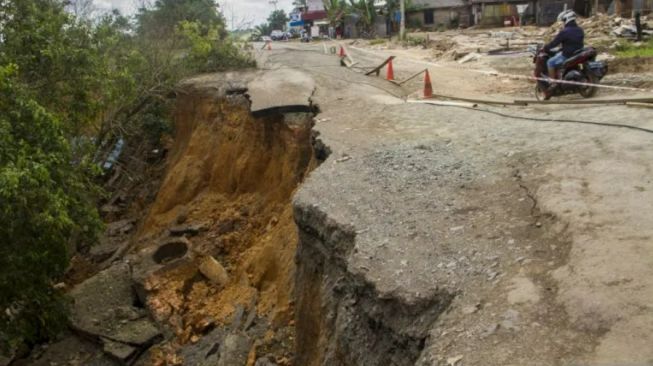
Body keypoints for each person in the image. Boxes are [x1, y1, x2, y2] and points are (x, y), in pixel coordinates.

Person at [543, 10, 584, 88]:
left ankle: (553, 83)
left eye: (564, 20)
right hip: (578, 53)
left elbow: (554, 43)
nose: (563, 22)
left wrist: (546, 47)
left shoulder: (564, 31)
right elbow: (573, 41)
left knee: (550, 62)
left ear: (567, 19)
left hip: (567, 55)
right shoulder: (580, 30)